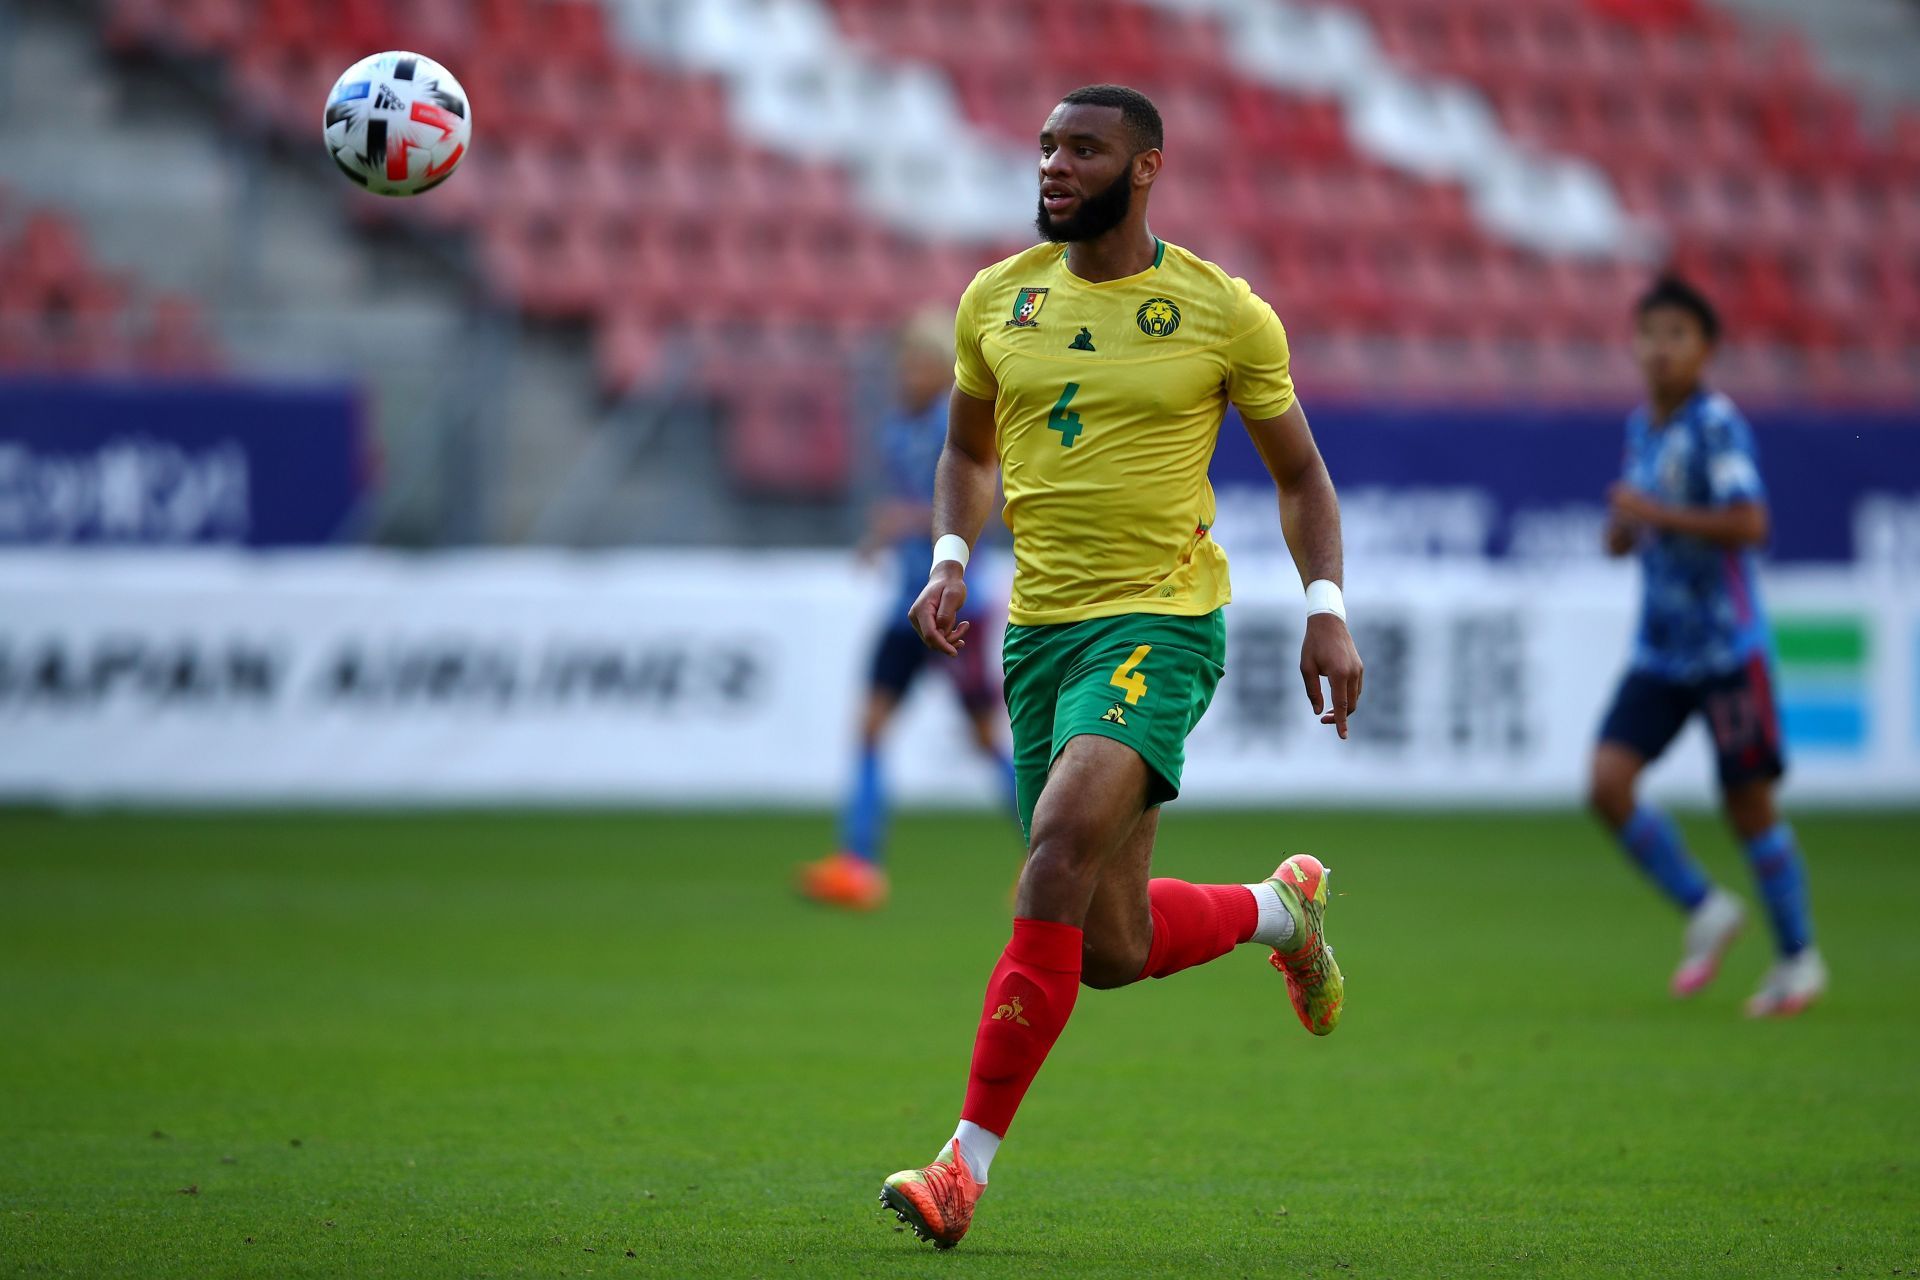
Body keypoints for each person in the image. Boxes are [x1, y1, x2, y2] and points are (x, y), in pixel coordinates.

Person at [876, 85, 1364, 1250]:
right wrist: (950, 554)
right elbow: (964, 448)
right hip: (1037, 634)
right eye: (1045, 145)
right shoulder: (998, 298)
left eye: (1081, 149)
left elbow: (1301, 476)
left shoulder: (1220, 312)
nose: (1053, 164)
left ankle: (961, 1166)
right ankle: (1277, 912)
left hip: (1161, 621)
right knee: (1108, 947)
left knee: (1050, 850)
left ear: (1144, 168)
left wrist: (1327, 608)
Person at [1590, 275, 1824, 1017]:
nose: (1660, 350)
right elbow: (1638, 532)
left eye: (1677, 336)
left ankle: (1798, 958)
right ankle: (1705, 908)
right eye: (1649, 335)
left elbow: (1750, 523)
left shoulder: (1715, 425)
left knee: (1748, 804)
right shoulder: (1644, 428)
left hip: (1726, 652)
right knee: (1607, 784)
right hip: (1662, 651)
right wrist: (1626, 531)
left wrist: (1655, 513)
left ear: (1706, 349)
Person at [796, 312, 1019, 911]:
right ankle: (857, 863)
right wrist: (889, 538)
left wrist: (904, 521)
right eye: (904, 363)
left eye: (919, 364)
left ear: (945, 370)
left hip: (956, 603)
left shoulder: (962, 426)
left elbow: (982, 502)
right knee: (869, 726)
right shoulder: (899, 428)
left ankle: (1055, 857)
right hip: (906, 605)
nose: (907, 374)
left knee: (982, 737)